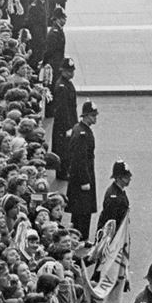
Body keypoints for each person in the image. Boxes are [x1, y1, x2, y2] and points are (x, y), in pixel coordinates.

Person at [66, 101, 99, 238]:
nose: (95, 118)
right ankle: (81, 237)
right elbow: (80, 159)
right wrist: (85, 180)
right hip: (82, 178)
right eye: (93, 115)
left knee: (79, 210)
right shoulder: (82, 134)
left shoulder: (79, 129)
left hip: (79, 176)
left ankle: (78, 235)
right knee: (83, 211)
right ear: (86, 116)